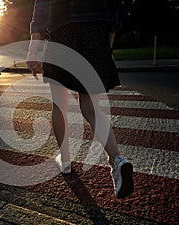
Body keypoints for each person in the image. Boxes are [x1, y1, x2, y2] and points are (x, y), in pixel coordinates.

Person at [27, 0, 134, 199]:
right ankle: (116, 160)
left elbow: (42, 8)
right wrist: (108, 48)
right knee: (91, 109)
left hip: (62, 35)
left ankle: (65, 160)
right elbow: (114, 8)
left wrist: (33, 51)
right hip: (96, 35)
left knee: (59, 104)